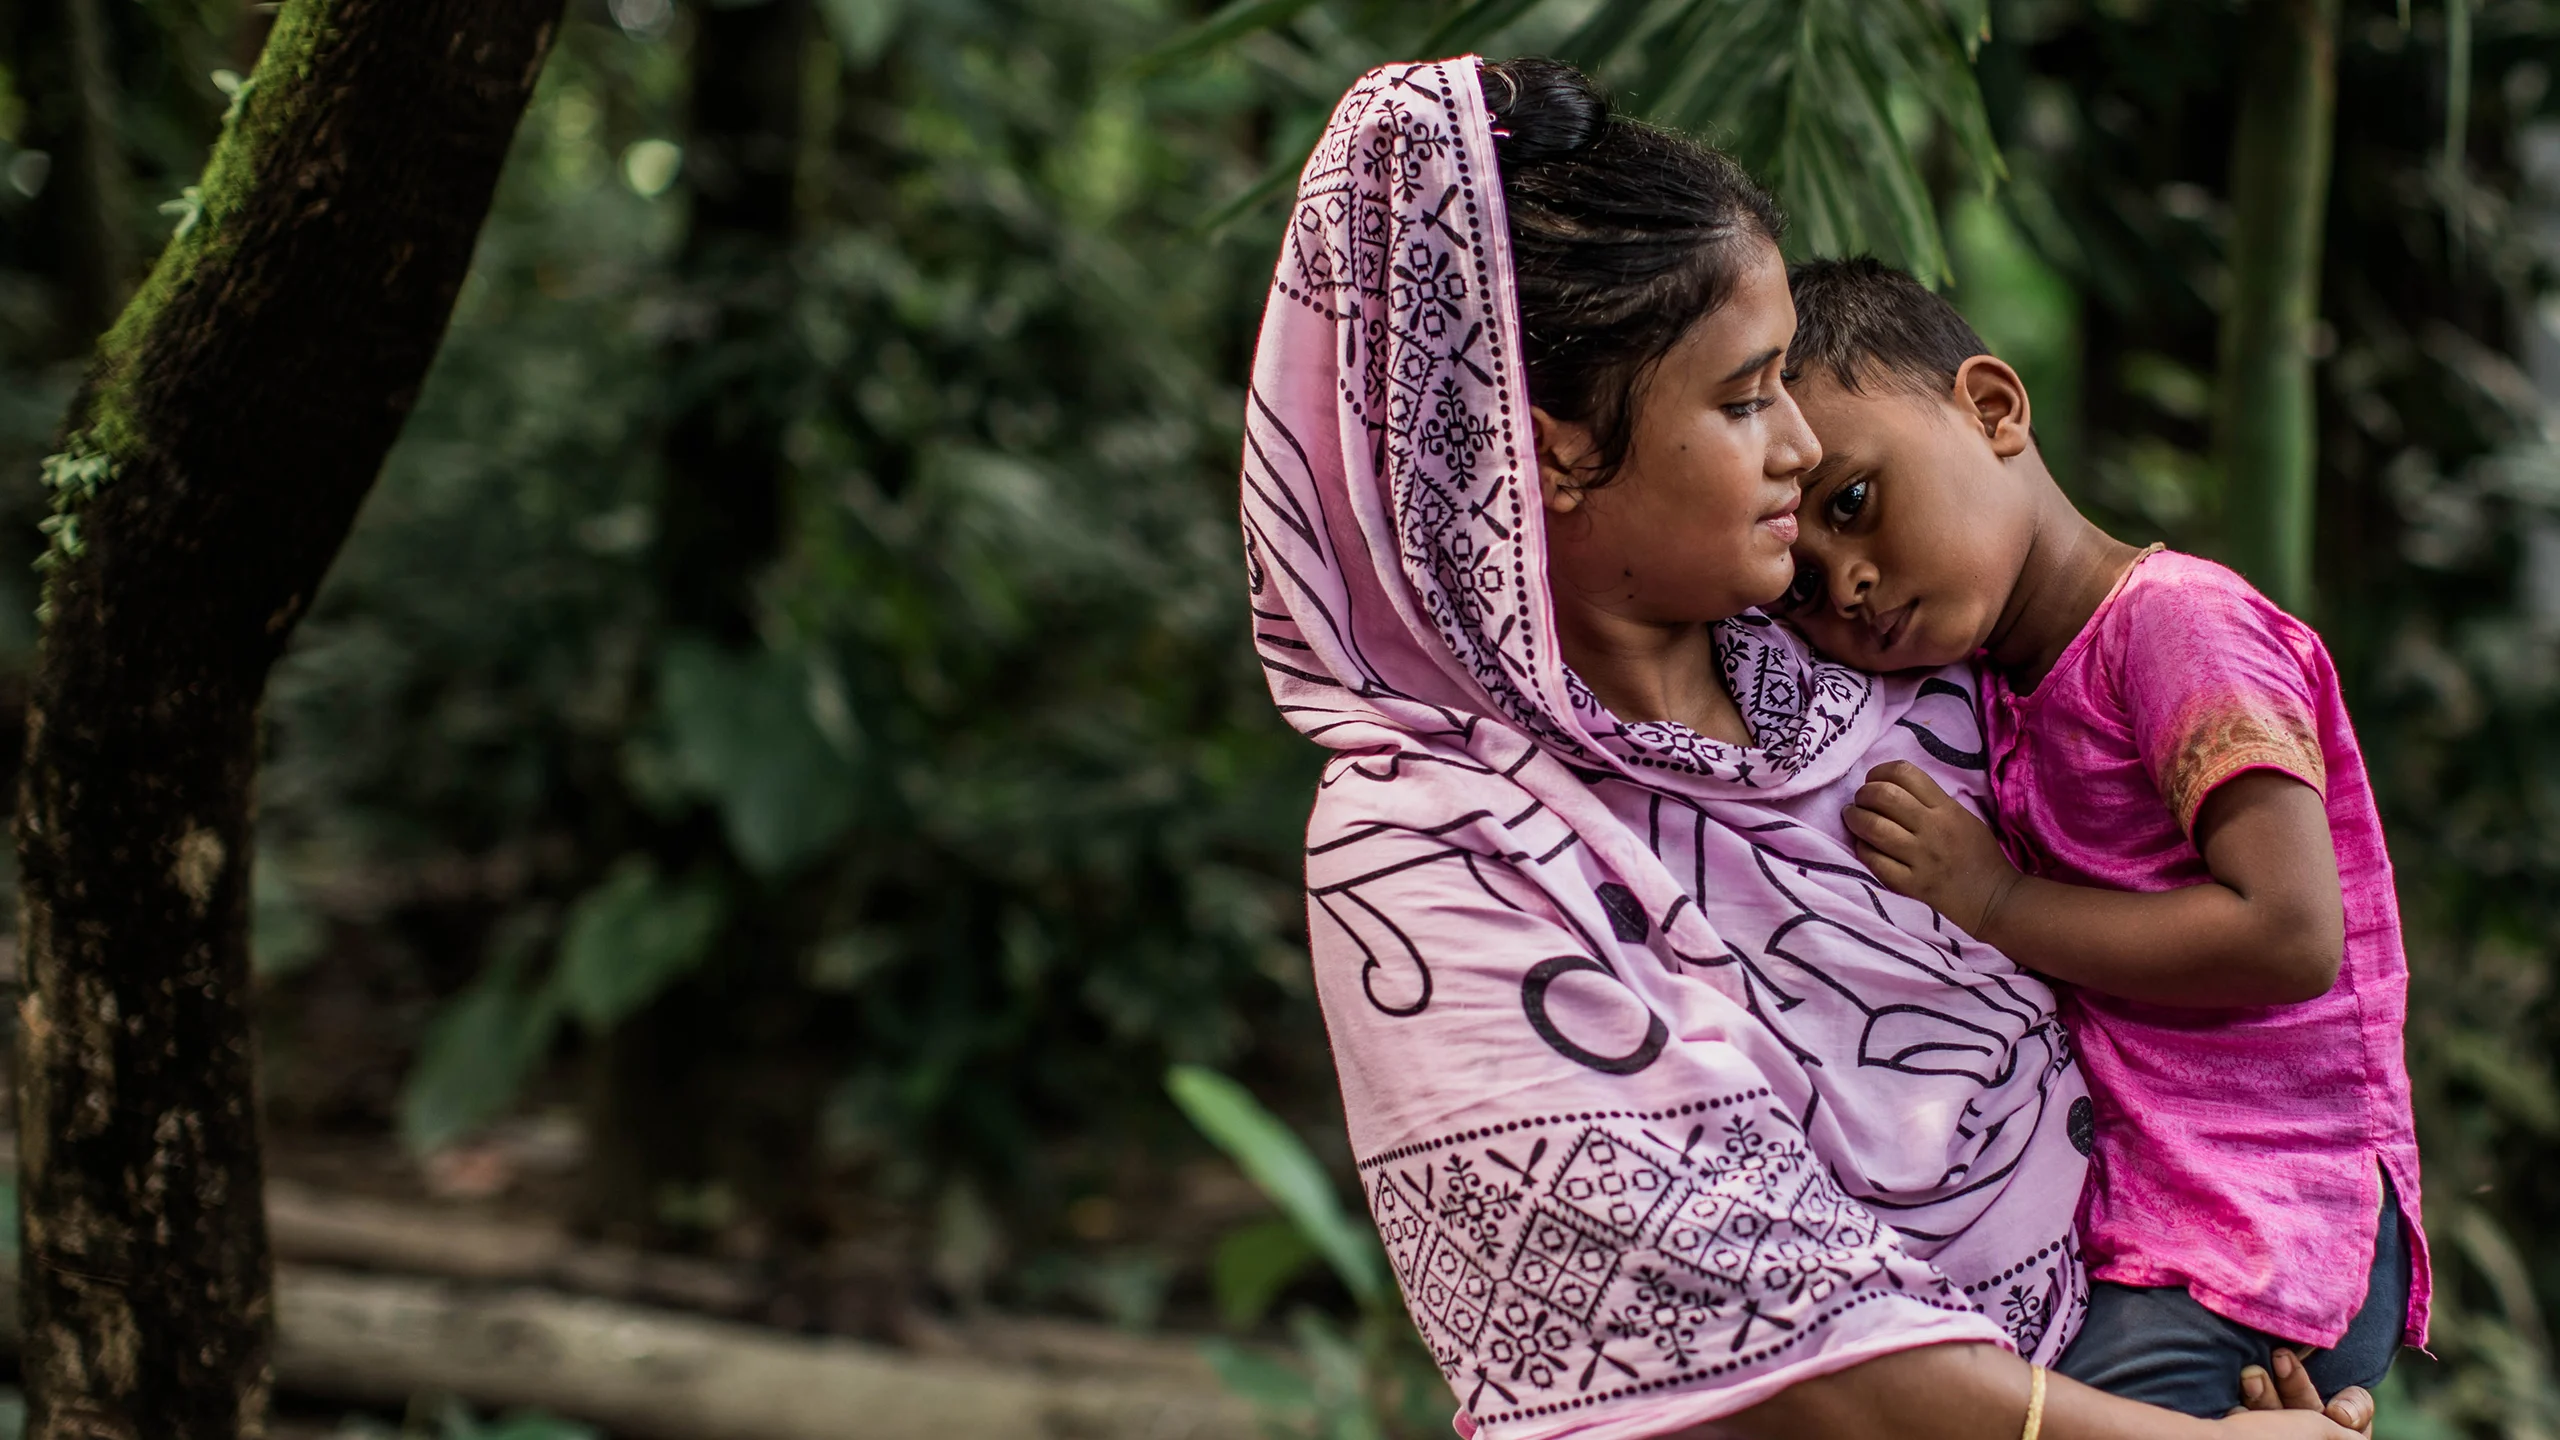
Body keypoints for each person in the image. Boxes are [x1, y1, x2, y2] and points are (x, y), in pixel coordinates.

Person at [1240, 52, 2368, 1440]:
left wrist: (2261, 1324)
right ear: (1557, 453)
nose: (1796, 444)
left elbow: (2240, 974)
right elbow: (1760, 1335)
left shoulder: (1895, 663)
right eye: (1743, 398)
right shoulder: (1438, 843)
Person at [1774, 257, 2427, 1418]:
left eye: (1853, 502)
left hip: (2263, 1219)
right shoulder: (1990, 685)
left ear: (1992, 409)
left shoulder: (2175, 623)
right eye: (1802, 591)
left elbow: (2288, 934)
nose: (1850, 585)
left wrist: (1996, 903)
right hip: (2163, 1225)